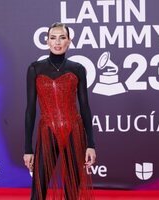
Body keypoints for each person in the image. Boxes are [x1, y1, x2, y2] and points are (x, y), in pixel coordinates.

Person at [23, 22, 96, 200]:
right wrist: (28, 148)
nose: (57, 42)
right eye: (53, 38)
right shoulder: (35, 68)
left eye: (62, 37)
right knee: (38, 191)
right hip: (48, 132)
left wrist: (91, 145)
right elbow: (30, 109)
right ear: (47, 41)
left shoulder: (77, 69)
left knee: (72, 191)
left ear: (69, 41)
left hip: (74, 132)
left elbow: (85, 107)